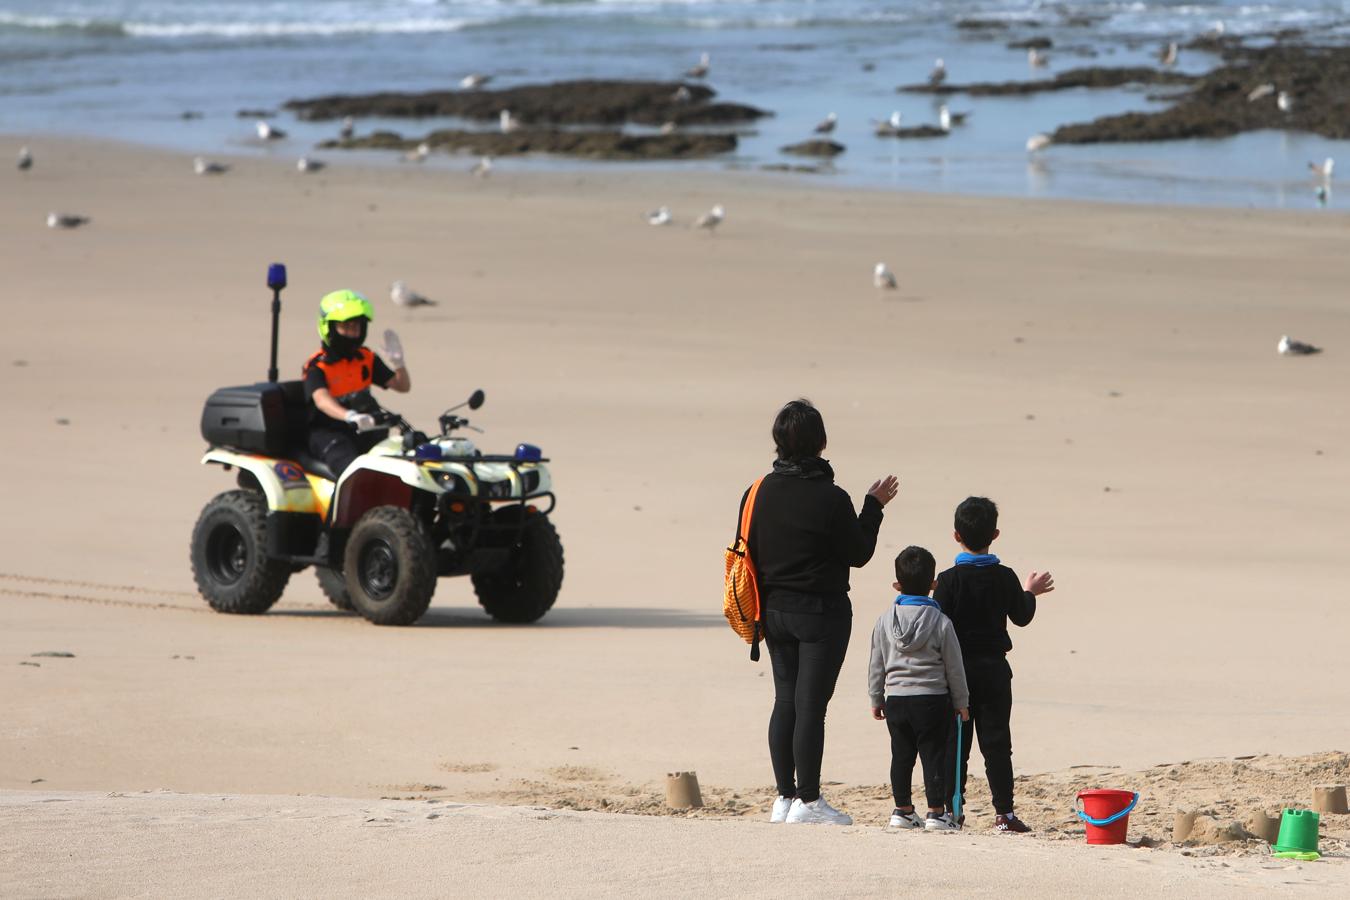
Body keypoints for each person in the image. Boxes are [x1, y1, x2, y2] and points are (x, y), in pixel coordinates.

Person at [745, 399, 898, 826]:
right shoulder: (831, 497)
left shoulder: (756, 492)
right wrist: (874, 506)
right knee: (811, 706)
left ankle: (784, 798)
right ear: (821, 442)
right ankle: (808, 802)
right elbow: (860, 553)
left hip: (772, 612)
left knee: (786, 701)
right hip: (820, 614)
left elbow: (748, 550)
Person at [933, 496, 1054, 833]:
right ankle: (1004, 813)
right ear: (995, 534)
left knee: (956, 743)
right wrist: (1030, 593)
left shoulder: (948, 580)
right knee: (998, 744)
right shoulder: (1005, 576)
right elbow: (1022, 616)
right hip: (995, 672)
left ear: (956, 535)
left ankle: (952, 811)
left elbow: (936, 623)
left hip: (957, 674)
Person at [868, 546, 969, 832]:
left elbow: (877, 662)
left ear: (897, 585)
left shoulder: (884, 621)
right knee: (933, 755)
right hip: (932, 699)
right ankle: (936, 812)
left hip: (897, 699)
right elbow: (954, 667)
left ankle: (902, 809)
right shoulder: (940, 621)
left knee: (901, 755)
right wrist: (961, 702)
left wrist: (876, 696)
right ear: (934, 585)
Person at [303, 289, 410, 478]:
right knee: (353, 474)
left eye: (357, 327)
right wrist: (349, 415)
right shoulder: (318, 366)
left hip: (366, 430)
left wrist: (399, 364)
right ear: (329, 327)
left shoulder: (366, 358)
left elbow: (402, 386)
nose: (353, 333)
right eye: (346, 327)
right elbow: (322, 400)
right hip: (329, 434)